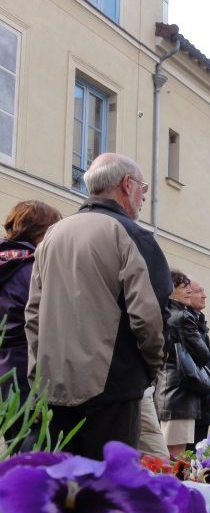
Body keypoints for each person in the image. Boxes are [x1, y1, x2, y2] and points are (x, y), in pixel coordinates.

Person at [25, 153, 172, 459]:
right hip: (113, 387)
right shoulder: (132, 234)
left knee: (63, 491)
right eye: (143, 190)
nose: (143, 199)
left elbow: (34, 316)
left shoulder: (52, 235)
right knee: (108, 491)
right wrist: (150, 367)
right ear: (127, 184)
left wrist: (37, 378)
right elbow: (150, 317)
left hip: (55, 387)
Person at [0, 201, 62, 407]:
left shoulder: (7, 261)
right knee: (30, 438)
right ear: (42, 233)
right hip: (26, 373)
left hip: (4, 370)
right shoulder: (36, 270)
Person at [155, 270, 210, 458]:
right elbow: (203, 355)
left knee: (163, 451)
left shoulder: (161, 313)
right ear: (170, 290)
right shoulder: (183, 317)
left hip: (165, 389)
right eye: (183, 287)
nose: (188, 291)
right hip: (180, 393)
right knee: (176, 455)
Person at [185, 278, 210, 448]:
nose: (204, 296)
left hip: (203, 401)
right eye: (199, 291)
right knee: (186, 455)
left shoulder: (198, 322)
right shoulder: (186, 321)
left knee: (197, 454)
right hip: (191, 402)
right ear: (186, 293)